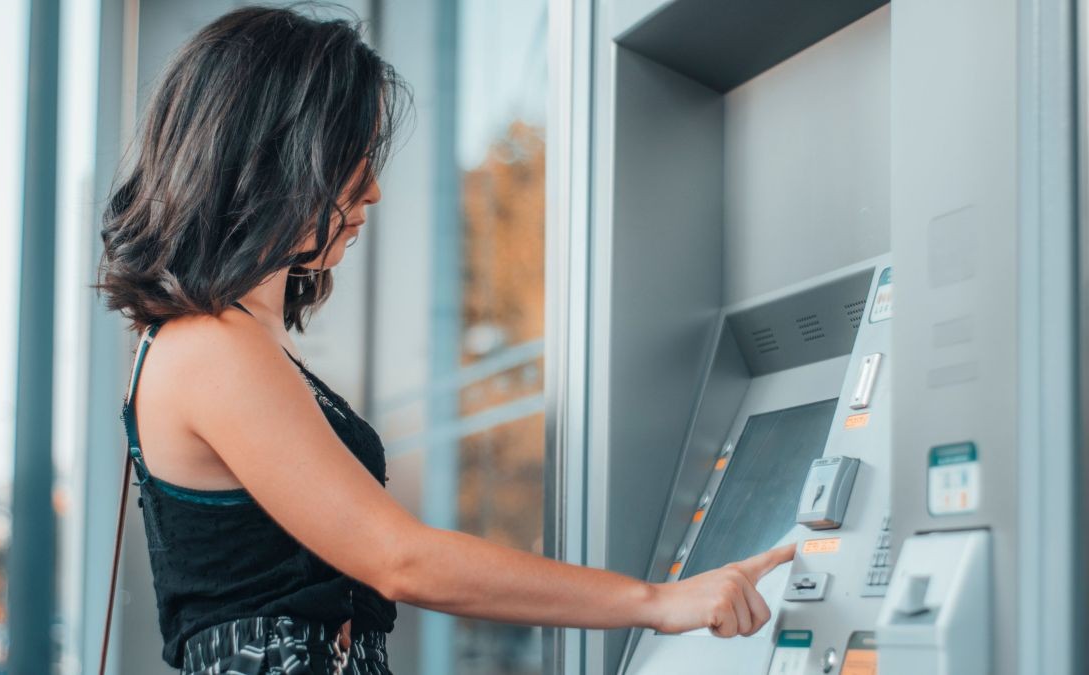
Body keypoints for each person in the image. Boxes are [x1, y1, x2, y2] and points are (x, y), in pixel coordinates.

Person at [96, 6, 795, 674]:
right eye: (351, 157)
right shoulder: (213, 347)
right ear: (276, 156)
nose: (371, 192)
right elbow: (400, 558)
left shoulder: (222, 339)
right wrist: (656, 602)